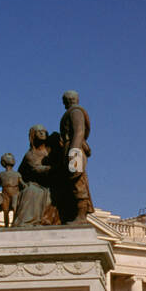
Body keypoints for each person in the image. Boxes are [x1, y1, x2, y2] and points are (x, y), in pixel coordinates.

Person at [57, 90, 94, 224]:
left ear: (66, 101)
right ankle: (75, 214)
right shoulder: (74, 112)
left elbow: (79, 131)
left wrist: (73, 152)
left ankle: (81, 216)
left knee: (77, 181)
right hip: (74, 148)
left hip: (74, 149)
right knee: (73, 181)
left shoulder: (75, 112)